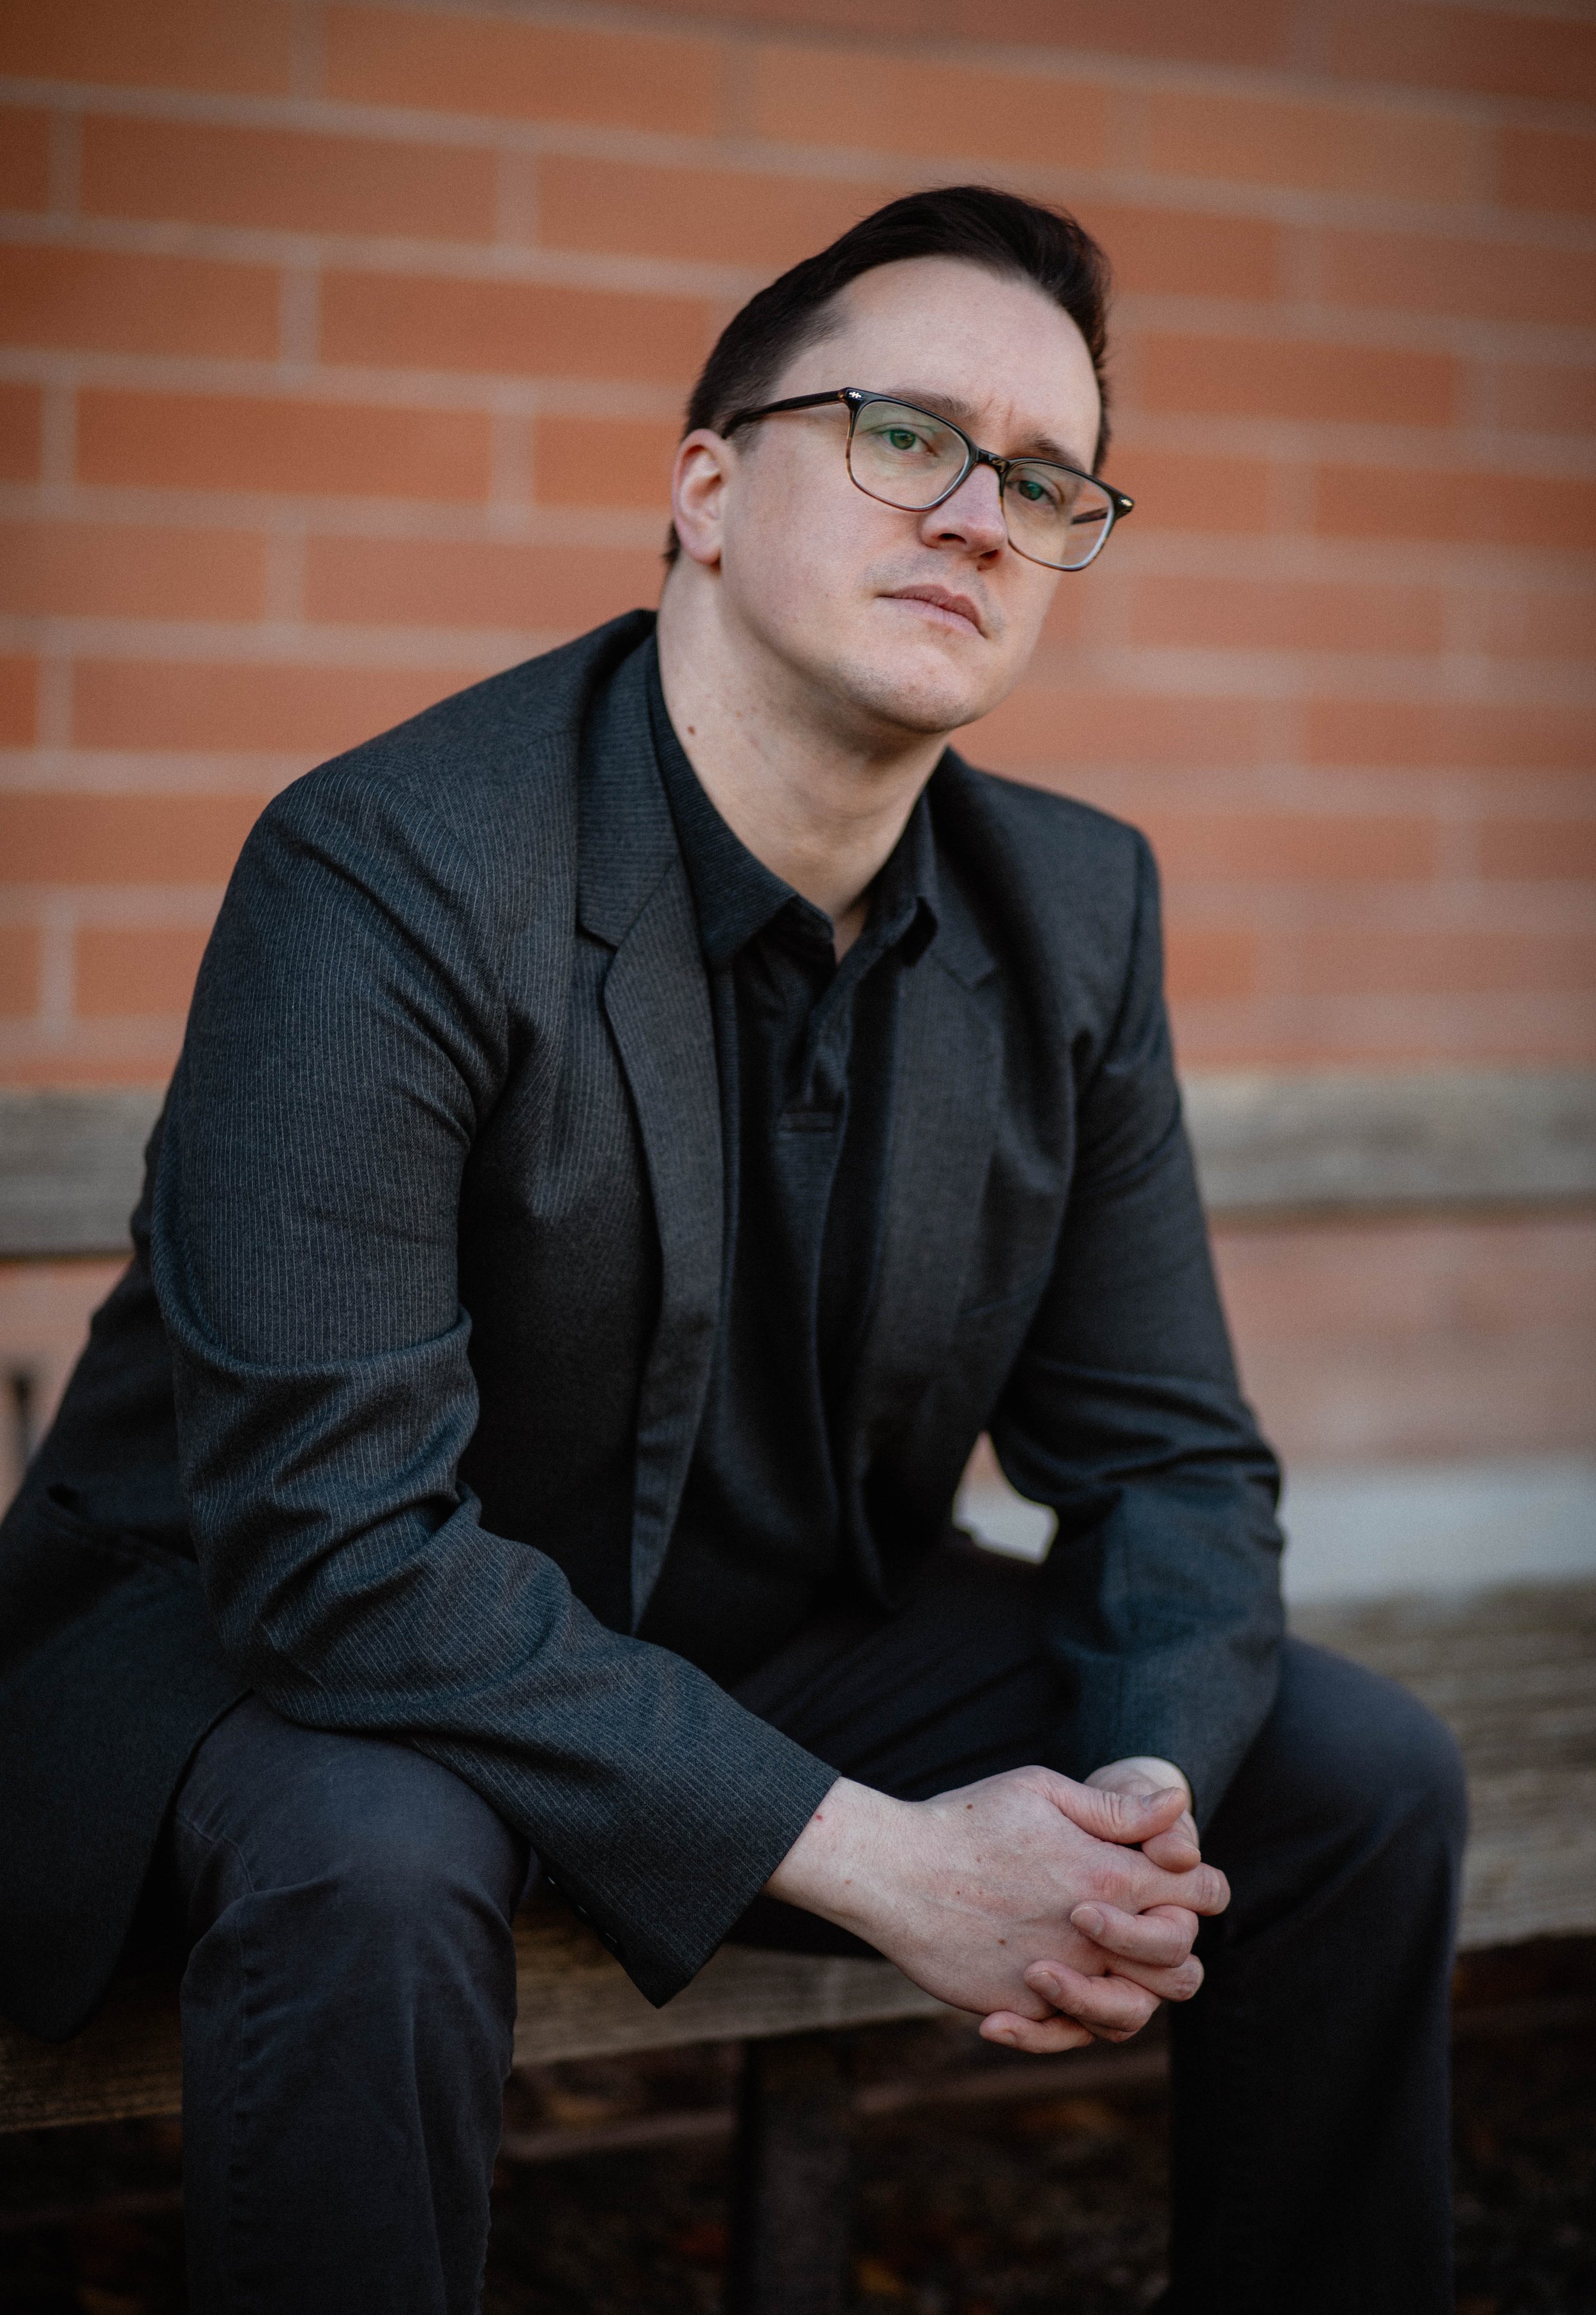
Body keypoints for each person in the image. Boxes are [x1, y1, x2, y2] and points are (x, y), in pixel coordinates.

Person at [0, 186, 1464, 2312]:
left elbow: (1165, 1462)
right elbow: (329, 1545)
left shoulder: (1075, 912)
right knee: (374, 1854)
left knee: (1344, 1777)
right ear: (704, 486)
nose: (976, 511)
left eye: (1043, 479)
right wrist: (889, 1857)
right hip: (270, 1653)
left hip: (768, 1632)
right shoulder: (386, 870)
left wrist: (1128, 1810)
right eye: (902, 435)